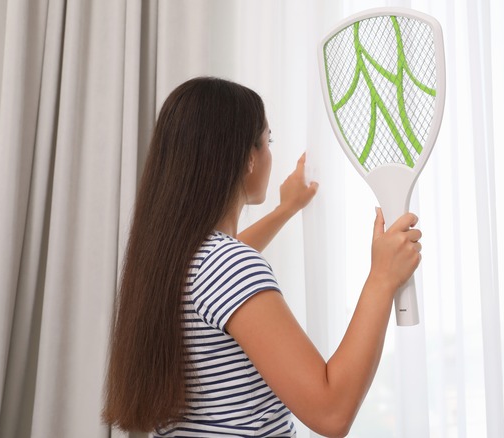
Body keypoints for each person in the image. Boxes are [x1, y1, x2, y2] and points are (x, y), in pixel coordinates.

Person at [102, 77, 422, 437]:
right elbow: (332, 412)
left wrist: (286, 209)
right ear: (247, 158)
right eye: (267, 141)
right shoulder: (228, 266)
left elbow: (223, 273)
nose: (270, 153)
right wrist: (380, 279)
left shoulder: (169, 257)